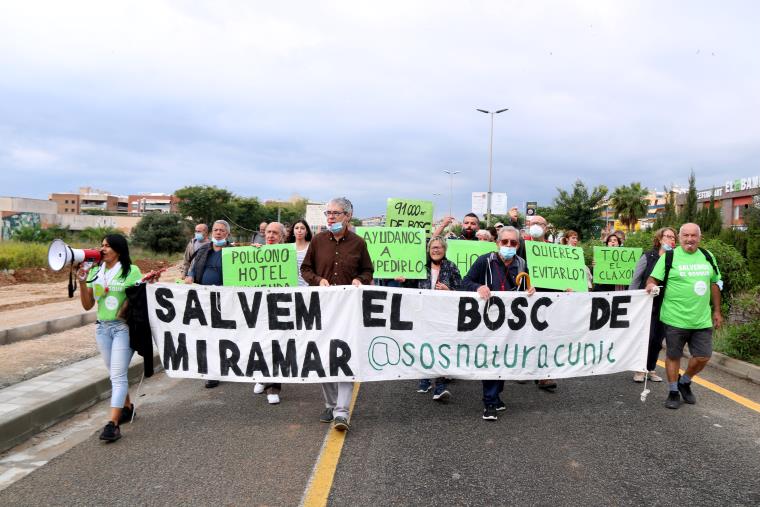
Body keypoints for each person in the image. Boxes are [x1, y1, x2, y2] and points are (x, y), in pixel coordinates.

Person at [300, 197, 374, 431]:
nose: (330, 217)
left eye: (335, 213)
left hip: (348, 311)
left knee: (344, 356)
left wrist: (358, 280)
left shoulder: (358, 244)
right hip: (321, 308)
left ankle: (342, 412)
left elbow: (367, 271)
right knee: (323, 357)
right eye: (328, 213)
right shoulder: (319, 241)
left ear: (347, 216)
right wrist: (317, 280)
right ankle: (331, 404)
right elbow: (305, 269)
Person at [645, 223, 722, 410]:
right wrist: (650, 286)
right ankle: (673, 391)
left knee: (703, 356)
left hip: (701, 319)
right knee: (673, 356)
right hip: (674, 318)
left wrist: (717, 311)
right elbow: (652, 279)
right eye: (685, 235)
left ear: (699, 237)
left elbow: (715, 283)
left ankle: (685, 381)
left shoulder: (707, 256)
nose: (689, 239)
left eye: (693, 236)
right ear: (679, 238)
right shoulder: (669, 256)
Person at [462, 226, 536, 421]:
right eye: (505, 242)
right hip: (488, 320)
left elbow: (526, 287)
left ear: (518, 245)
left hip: (511, 321)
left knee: (504, 357)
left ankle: (496, 395)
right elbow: (465, 281)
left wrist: (530, 290)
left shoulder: (521, 263)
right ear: (497, 243)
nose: (509, 246)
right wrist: (478, 287)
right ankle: (490, 402)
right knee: (492, 358)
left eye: (513, 243)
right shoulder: (484, 261)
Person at [78, 234, 143, 442]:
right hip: (102, 329)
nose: (102, 249)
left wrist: (123, 311)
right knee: (116, 373)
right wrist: (81, 281)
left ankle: (112, 424)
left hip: (123, 329)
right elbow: (88, 305)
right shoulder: (96, 271)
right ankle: (127, 408)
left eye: (107, 246)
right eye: (102, 245)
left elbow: (137, 299)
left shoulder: (131, 271)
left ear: (119, 249)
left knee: (117, 375)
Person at [400, 236, 462, 401]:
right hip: (423, 314)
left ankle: (440, 387)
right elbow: (411, 287)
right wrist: (404, 281)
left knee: (441, 347)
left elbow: (462, 289)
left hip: (443, 315)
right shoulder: (421, 266)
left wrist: (449, 290)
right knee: (424, 345)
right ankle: (425, 379)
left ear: (444, 250)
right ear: (428, 250)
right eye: (433, 247)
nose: (436, 250)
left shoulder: (451, 267)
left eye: (439, 248)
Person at [185, 220, 232, 388]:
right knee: (208, 335)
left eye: (221, 230)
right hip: (204, 299)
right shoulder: (203, 249)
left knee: (222, 335)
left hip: (224, 300)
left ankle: (225, 364)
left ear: (227, 234)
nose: (218, 233)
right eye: (215, 230)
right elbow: (193, 267)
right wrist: (190, 276)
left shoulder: (233, 251)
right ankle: (213, 372)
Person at [629, 227, 676, 383]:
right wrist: (632, 300)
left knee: (657, 340)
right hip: (646, 304)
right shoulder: (648, 256)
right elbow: (636, 280)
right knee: (646, 338)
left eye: (673, 237)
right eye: (667, 236)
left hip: (666, 304)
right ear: (660, 239)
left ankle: (651, 369)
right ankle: (639, 370)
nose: (671, 239)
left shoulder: (675, 259)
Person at [521, 215, 560, 390]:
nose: (535, 226)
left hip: (547, 297)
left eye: (539, 224)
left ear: (546, 228)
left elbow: (561, 273)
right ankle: (523, 368)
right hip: (526, 295)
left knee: (545, 335)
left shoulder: (554, 249)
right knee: (524, 333)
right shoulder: (521, 246)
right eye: (532, 223)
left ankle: (544, 375)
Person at [252, 221, 289, 404]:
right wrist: (253, 253)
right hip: (257, 308)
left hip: (279, 306)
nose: (271, 235)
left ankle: (273, 387)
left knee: (276, 346)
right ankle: (261, 376)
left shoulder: (287, 254)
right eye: (268, 232)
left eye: (275, 233)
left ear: (282, 236)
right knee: (259, 344)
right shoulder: (255, 251)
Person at [286, 219, 313, 287]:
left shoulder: (312, 246)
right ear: (293, 231)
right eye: (296, 228)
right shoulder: (287, 248)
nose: (299, 230)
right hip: (291, 287)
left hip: (309, 286)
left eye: (302, 228)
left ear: (306, 231)